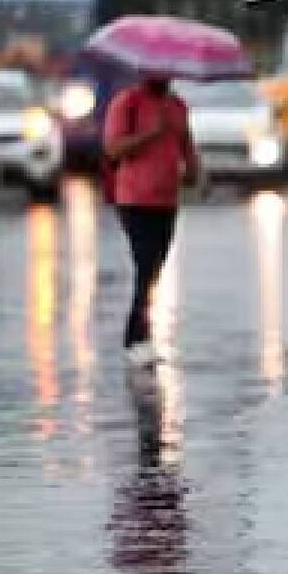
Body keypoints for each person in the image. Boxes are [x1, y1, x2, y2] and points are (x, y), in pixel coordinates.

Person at [103, 75, 199, 370]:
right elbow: (113, 149)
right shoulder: (127, 103)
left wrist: (194, 171)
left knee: (155, 268)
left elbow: (186, 145)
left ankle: (141, 335)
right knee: (145, 266)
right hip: (135, 200)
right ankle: (135, 339)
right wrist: (151, 133)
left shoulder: (177, 106)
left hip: (167, 200)